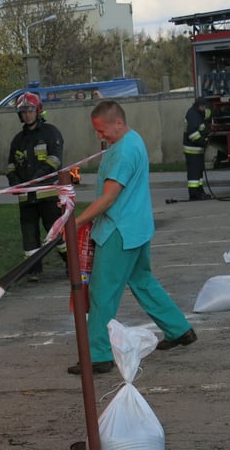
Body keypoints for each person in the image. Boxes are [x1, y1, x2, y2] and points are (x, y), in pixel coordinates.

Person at [68, 101, 196, 375]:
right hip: (137, 228)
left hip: (119, 232)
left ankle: (98, 356)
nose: (100, 136)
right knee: (143, 281)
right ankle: (179, 329)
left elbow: (109, 197)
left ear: (118, 122)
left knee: (102, 293)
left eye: (102, 130)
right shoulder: (132, 140)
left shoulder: (123, 152)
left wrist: (75, 221)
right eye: (96, 132)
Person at [5, 92, 67, 282]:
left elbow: (55, 159)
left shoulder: (50, 132)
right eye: (23, 112)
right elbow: (10, 166)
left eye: (30, 111)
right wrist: (15, 183)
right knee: (29, 236)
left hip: (47, 193)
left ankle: (71, 264)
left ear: (37, 110)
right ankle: (33, 271)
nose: (27, 115)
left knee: (56, 232)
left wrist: (37, 177)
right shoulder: (18, 140)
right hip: (26, 197)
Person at [183, 97, 213, 200]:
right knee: (194, 174)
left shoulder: (199, 113)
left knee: (199, 173)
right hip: (192, 150)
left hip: (197, 149)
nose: (205, 108)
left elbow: (208, 114)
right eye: (203, 106)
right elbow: (192, 134)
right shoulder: (193, 115)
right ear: (199, 106)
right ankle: (194, 194)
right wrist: (203, 142)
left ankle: (200, 192)